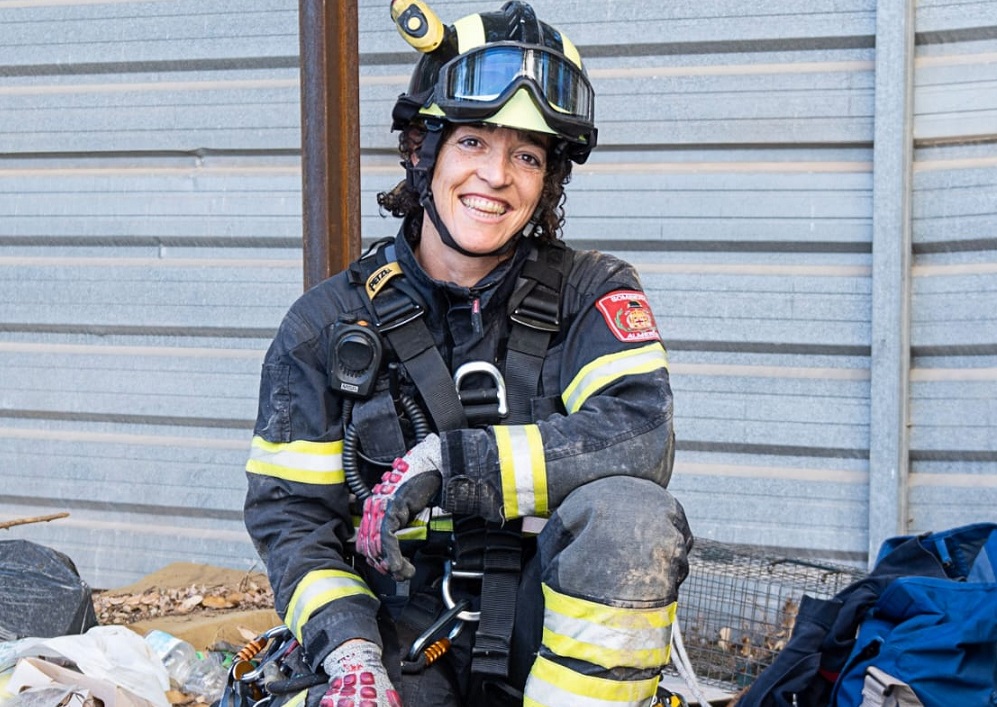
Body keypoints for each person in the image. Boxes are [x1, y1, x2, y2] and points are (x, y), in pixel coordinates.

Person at [243, 1, 694, 705]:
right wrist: (350, 652)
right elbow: (291, 518)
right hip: (404, 628)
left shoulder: (593, 293)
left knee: (631, 512)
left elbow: (638, 436)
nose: (496, 176)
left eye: (526, 155)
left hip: (553, 627)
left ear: (549, 181)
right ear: (423, 151)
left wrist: (452, 464)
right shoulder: (325, 324)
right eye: (474, 143)